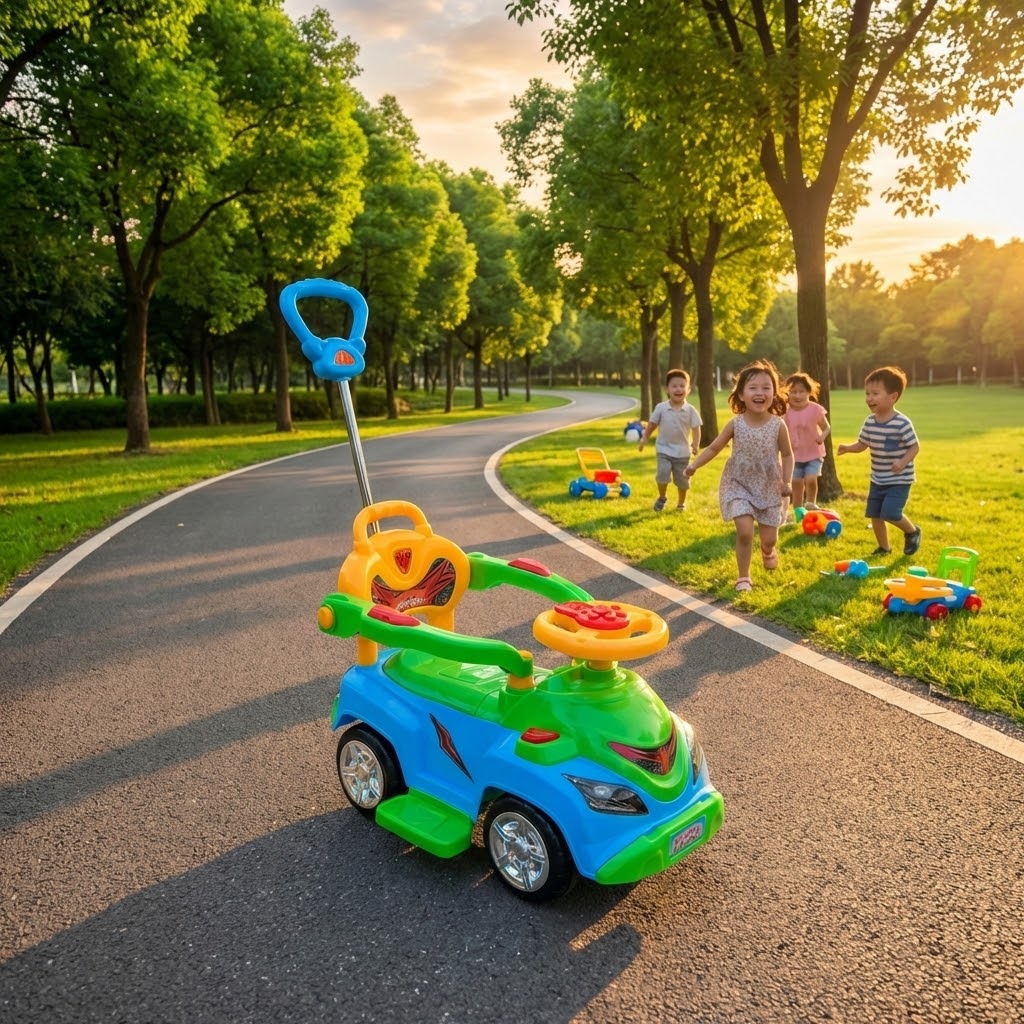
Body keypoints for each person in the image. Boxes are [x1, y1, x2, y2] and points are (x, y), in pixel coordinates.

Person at [685, 359, 794, 592]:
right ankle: (743, 577)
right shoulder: (735, 424)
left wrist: (787, 481)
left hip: (769, 486)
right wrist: (694, 465)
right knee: (745, 532)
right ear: (742, 394)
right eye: (753, 387)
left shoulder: (778, 425)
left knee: (769, 538)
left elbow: (787, 454)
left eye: (766, 387)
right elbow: (714, 448)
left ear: (774, 393)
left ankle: (767, 550)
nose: (760, 392)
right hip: (738, 484)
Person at [837, 365, 922, 557]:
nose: (869, 398)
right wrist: (848, 448)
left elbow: (915, 447)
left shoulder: (902, 423)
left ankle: (912, 531)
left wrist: (902, 462)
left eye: (875, 393)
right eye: (867, 393)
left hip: (899, 479)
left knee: (890, 513)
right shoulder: (870, 422)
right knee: (875, 514)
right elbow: (862, 444)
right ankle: (884, 548)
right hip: (877, 479)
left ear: (893, 397)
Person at [638, 368, 702, 511]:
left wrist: (696, 444)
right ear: (667, 389)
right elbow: (652, 425)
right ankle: (662, 497)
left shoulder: (690, 410)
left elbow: (696, 428)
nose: (678, 389)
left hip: (683, 452)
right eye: (674, 386)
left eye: (682, 386)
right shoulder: (661, 408)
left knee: (683, 480)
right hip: (664, 449)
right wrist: (645, 438)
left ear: (688, 389)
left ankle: (681, 503)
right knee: (662, 474)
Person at [783, 371, 831, 511]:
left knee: (810, 479)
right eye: (793, 392)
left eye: (801, 392)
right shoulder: (785, 411)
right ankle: (798, 511)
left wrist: (822, 436)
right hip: (794, 455)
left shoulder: (815, 409)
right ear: (787, 393)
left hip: (813, 454)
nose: (797, 396)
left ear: (809, 392)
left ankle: (811, 503)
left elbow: (826, 427)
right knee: (796, 483)